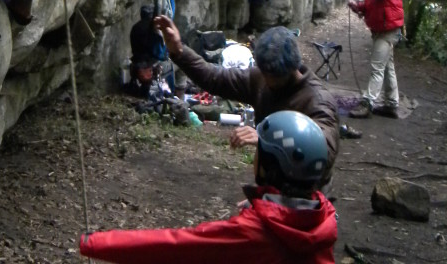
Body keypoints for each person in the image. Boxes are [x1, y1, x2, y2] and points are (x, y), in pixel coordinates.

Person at [79, 109, 337, 263]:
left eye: (259, 150)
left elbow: (174, 245)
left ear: (270, 165)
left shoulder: (253, 231)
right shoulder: (323, 220)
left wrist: (95, 243)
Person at [153, 16, 339, 183]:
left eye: (273, 75)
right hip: (273, 185)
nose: (266, 79)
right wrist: (179, 50)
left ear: (291, 70)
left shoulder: (318, 100)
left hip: (308, 195)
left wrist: (270, 138)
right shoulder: (261, 79)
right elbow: (216, 78)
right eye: (264, 72)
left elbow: (325, 151)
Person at [348, 0, 404, 119]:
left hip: (388, 32)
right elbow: (373, 2)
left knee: (377, 67)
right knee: (387, 67)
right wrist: (358, 7)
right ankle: (391, 104)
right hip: (381, 31)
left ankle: (367, 103)